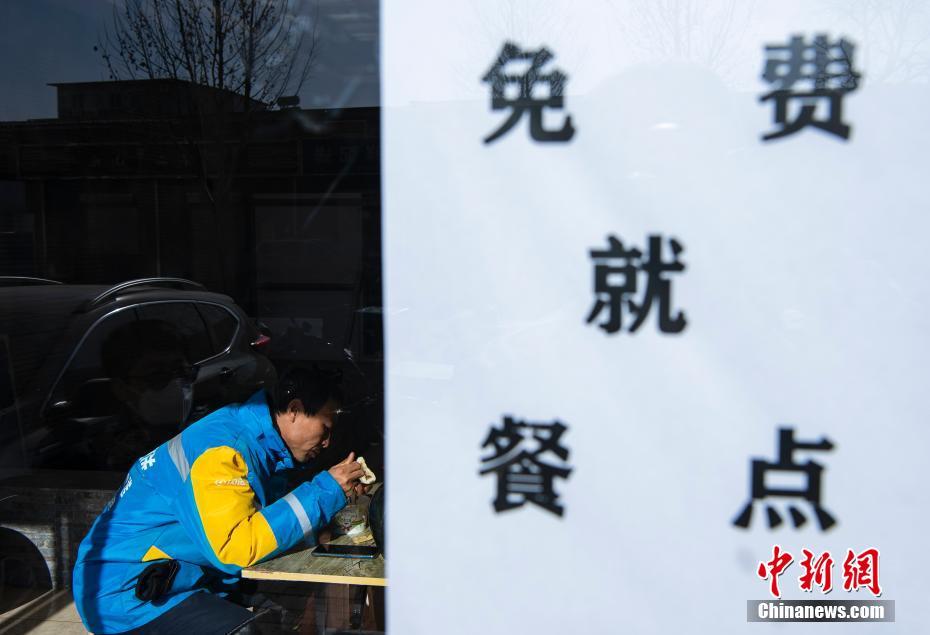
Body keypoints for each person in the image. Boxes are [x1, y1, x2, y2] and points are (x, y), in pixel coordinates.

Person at [72, 367, 367, 634]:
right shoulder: (224, 451)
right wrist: (326, 490)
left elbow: (269, 525)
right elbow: (235, 547)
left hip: (177, 576)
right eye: (325, 430)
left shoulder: (261, 446)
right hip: (127, 594)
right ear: (294, 410)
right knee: (245, 630)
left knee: (287, 592)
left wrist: (333, 505)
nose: (327, 442)